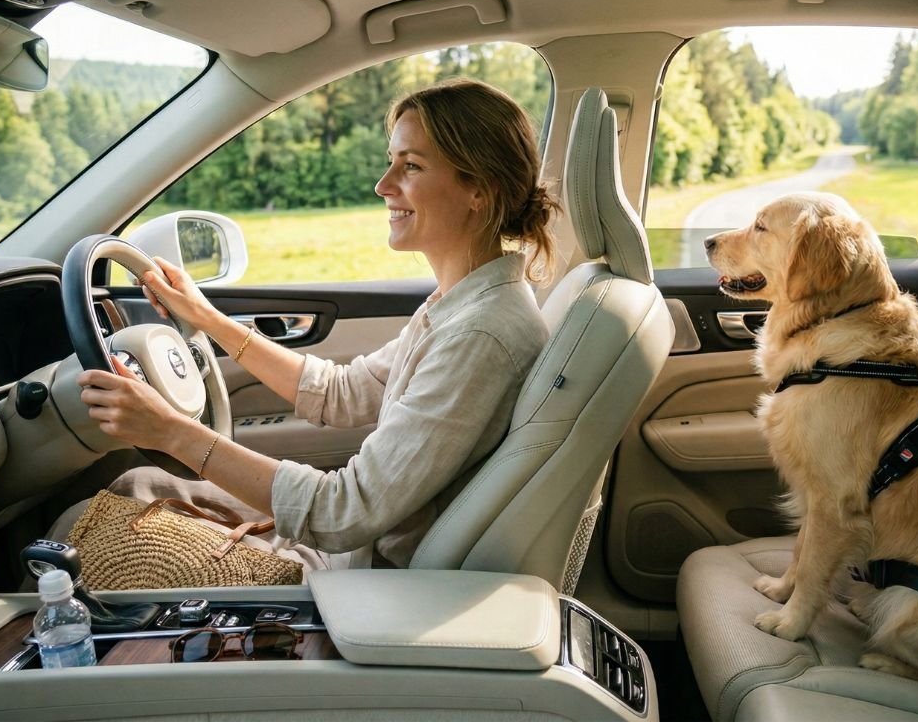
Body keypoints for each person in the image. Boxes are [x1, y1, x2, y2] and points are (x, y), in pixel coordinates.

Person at [74, 78, 558, 571]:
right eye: (391, 161)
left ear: (479, 189)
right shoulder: (463, 305)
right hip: (355, 556)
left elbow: (345, 511)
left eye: (410, 165)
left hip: (363, 583)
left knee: (87, 535)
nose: (383, 185)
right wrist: (207, 318)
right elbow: (341, 392)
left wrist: (170, 431)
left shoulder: (480, 335)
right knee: (135, 486)